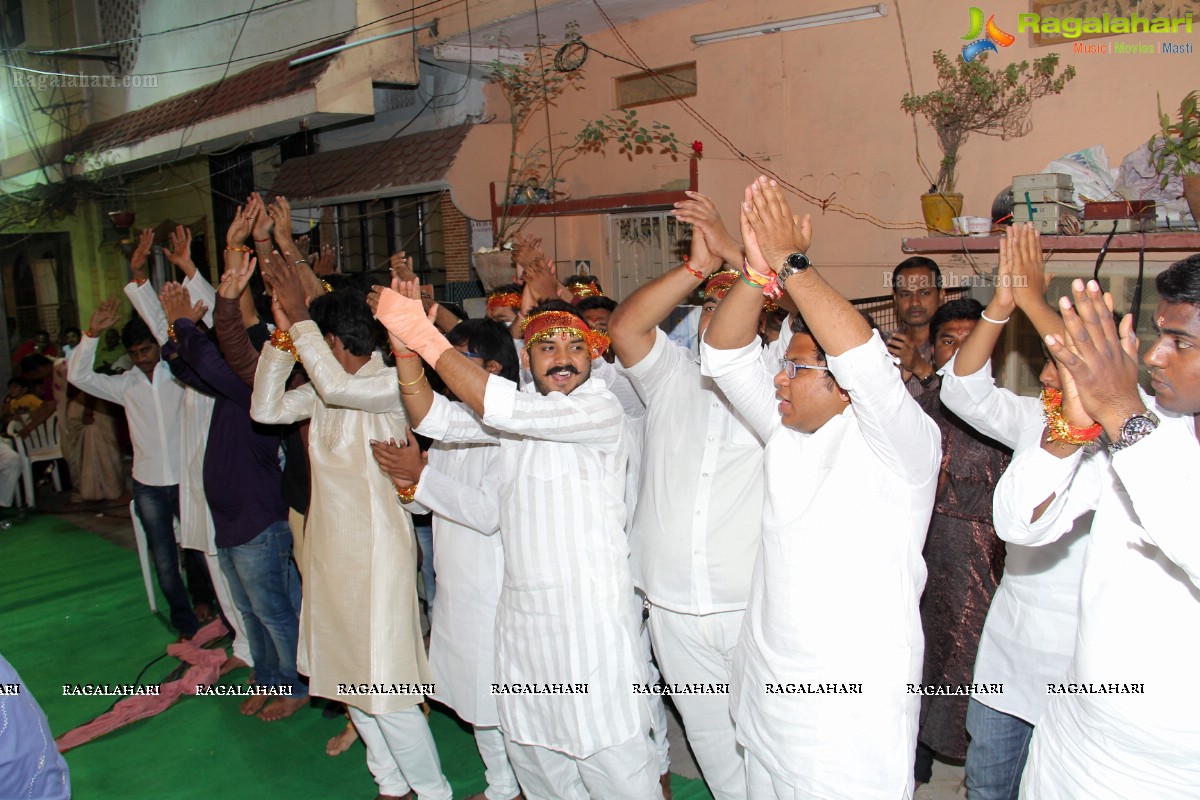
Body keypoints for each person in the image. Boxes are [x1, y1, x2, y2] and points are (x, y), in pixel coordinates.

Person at [374, 286, 662, 800]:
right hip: (524, 623)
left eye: (574, 346)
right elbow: (429, 417)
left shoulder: (597, 413)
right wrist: (402, 349)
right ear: (527, 361)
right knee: (540, 763)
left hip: (590, 623)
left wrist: (424, 333)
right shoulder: (517, 413)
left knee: (614, 764)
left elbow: (497, 407)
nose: (563, 358)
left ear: (594, 355)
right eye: (546, 347)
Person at [701, 177, 939, 798]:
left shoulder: (903, 448)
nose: (777, 380)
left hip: (846, 724)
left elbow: (863, 359)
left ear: (842, 386)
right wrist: (756, 277)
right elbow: (723, 356)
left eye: (797, 368)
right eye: (781, 366)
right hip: (767, 698)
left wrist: (793, 265)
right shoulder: (786, 431)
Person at [994, 257, 1200, 798]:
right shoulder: (1149, 426)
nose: (1155, 356)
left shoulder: (1137, 425)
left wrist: (1123, 413)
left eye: (1181, 342)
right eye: (1158, 335)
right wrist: (1073, 427)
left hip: (1176, 768)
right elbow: (1016, 524)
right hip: (1076, 738)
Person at [251, 261, 452, 800]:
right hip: (326, 549)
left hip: (378, 552)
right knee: (347, 676)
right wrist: (283, 335)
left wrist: (300, 320)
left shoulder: (389, 383)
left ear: (333, 339)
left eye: (317, 338)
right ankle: (391, 784)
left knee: (387, 686)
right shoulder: (325, 387)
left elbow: (339, 388)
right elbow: (265, 407)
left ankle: (433, 792)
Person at [607, 191, 762, 800]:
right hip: (672, 607)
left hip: (752, 605)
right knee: (713, 747)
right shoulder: (670, 375)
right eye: (710, 305)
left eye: (738, 301)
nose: (719, 314)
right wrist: (697, 269)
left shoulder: (781, 384)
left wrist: (747, 259)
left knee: (767, 744)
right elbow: (624, 327)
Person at [937, 223, 1091, 800]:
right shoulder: (1035, 421)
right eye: (1047, 367)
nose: (1048, 376)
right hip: (1008, 652)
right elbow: (961, 390)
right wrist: (1002, 304)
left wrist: (1033, 299)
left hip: (1082, 662)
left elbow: (1092, 381)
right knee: (988, 787)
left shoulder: (1129, 438)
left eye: (1060, 365)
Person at [372, 314, 524, 800]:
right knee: (474, 697)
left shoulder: (512, 428)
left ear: (495, 368)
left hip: (493, 588)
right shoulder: (453, 424)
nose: (450, 371)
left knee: (495, 700)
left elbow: (485, 513)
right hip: (458, 586)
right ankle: (501, 782)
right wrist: (405, 477)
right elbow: (422, 502)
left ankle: (511, 787)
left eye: (462, 360)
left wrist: (421, 476)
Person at [158, 281, 306, 721]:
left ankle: (295, 686)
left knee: (273, 611)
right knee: (249, 610)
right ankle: (268, 677)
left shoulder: (255, 390)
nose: (236, 358)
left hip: (258, 521)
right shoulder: (232, 390)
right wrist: (175, 331)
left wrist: (186, 323)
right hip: (233, 521)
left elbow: (208, 362)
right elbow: (189, 369)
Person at [913, 297, 1010, 784]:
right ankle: (917, 751)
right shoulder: (913, 407)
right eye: (949, 341)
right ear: (932, 349)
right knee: (918, 652)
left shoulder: (1004, 415)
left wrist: (949, 490)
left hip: (976, 561)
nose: (959, 352)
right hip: (919, 553)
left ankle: (977, 755)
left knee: (965, 657)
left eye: (972, 342)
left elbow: (1013, 503)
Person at [68, 302, 200, 640]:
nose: (141, 357)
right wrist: (92, 334)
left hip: (186, 479)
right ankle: (185, 624)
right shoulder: (124, 386)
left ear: (156, 345)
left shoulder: (180, 374)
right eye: (134, 352)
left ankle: (208, 608)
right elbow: (78, 376)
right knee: (165, 560)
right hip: (148, 485)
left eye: (146, 349)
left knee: (199, 550)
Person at [886, 257, 943, 397]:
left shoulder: (954, 345)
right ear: (895, 298)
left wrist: (920, 367)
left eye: (924, 293)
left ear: (941, 295)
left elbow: (961, 403)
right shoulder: (882, 346)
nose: (915, 302)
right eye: (905, 294)